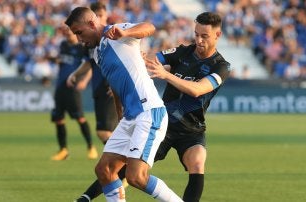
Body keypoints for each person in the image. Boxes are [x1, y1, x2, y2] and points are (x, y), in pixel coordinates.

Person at [65, 7, 183, 202]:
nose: (79, 39)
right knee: (104, 170)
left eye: (79, 32)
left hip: (148, 112)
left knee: (136, 177)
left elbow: (149, 27)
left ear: (92, 24)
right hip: (130, 118)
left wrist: (125, 32)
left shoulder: (117, 32)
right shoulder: (97, 52)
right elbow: (116, 85)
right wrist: (120, 116)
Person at [145, 12, 231, 202]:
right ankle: (86, 197)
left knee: (198, 164)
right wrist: (144, 63)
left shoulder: (221, 66)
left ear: (218, 35)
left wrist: (165, 74)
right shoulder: (183, 52)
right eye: (196, 34)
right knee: (132, 168)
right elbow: (153, 60)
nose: (199, 40)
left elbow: (197, 90)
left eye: (204, 36)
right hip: (164, 124)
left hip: (191, 129)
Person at [67, 3, 126, 201]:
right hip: (101, 89)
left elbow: (146, 29)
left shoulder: (114, 35)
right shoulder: (94, 43)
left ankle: (121, 168)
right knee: (108, 159)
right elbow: (89, 63)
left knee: (105, 135)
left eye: (102, 14)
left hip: (112, 91)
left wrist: (116, 81)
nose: (78, 38)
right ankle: (119, 169)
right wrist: (78, 76)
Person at [50, 26, 98, 161]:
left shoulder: (82, 47)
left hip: (73, 86)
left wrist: (84, 80)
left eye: (69, 32)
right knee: (58, 119)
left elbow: (89, 65)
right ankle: (63, 150)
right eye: (64, 32)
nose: (66, 34)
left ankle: (91, 147)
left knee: (80, 118)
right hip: (60, 86)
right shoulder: (63, 45)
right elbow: (62, 61)